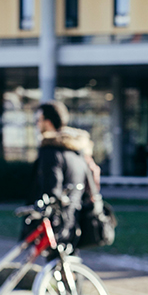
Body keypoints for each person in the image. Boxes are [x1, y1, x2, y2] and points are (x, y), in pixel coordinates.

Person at [29, 101, 99, 248]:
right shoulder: (78, 149)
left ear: (47, 122)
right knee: (66, 266)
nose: (36, 125)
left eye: (38, 120)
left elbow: (51, 190)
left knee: (55, 266)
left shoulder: (50, 151)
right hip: (76, 220)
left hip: (55, 223)